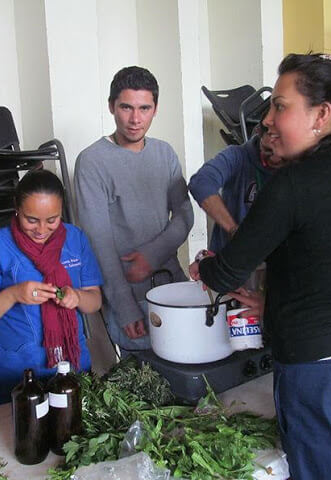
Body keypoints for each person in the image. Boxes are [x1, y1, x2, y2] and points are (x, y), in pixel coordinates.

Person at [191, 54, 331, 480]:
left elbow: (229, 271)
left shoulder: (294, 182)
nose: (268, 120)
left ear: (321, 115)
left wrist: (207, 268)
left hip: (327, 382)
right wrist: (271, 301)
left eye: (280, 106)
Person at [75, 66, 193, 351]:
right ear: (111, 107)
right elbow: (98, 241)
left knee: (191, 369)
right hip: (128, 295)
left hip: (173, 282)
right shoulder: (92, 161)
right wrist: (125, 306)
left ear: (155, 109)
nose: (135, 119)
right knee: (143, 383)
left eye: (144, 108)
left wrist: (151, 255)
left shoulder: (164, 153)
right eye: (126, 107)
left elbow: (185, 215)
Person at [0, 169, 103, 406]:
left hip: (72, 366)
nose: (41, 230)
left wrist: (77, 297)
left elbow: (95, 301)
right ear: (16, 207)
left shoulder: (75, 239)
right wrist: (14, 294)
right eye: (31, 220)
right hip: (17, 371)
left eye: (52, 220)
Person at [188, 127, 284, 252]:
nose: (275, 158)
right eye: (268, 150)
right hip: (233, 259)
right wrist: (233, 230)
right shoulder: (237, 156)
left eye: (282, 151)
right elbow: (201, 182)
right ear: (259, 133)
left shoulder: (299, 164)